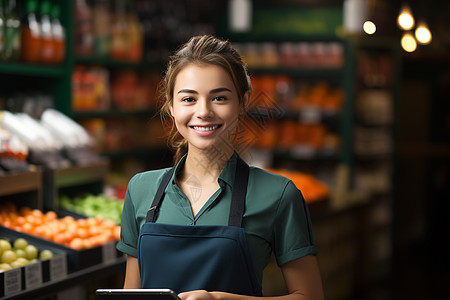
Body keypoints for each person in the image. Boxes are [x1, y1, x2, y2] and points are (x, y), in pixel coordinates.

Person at [116, 35, 324, 300]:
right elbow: (131, 294)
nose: (203, 112)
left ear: (243, 102)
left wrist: (221, 299)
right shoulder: (141, 189)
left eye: (219, 98)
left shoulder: (279, 194)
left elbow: (311, 296)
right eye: (188, 99)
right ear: (170, 107)